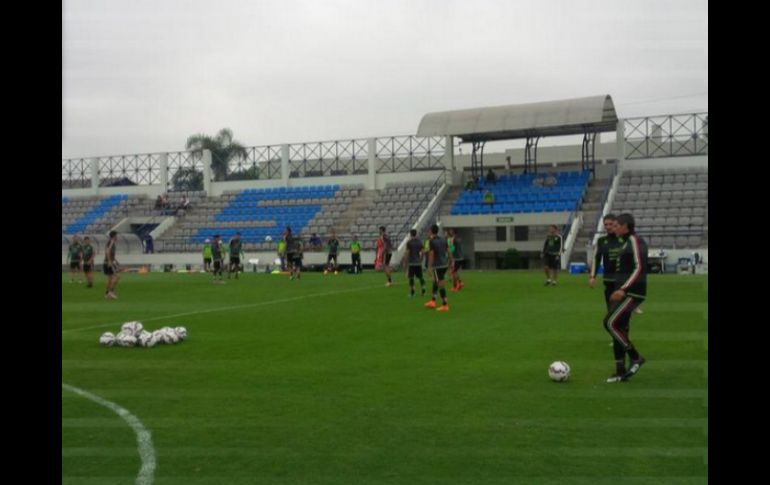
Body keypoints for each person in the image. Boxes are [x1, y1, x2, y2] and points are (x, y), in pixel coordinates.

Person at [604, 213, 648, 383]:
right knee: (619, 329)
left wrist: (623, 288)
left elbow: (639, 268)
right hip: (624, 292)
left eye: (616, 225)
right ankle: (620, 371)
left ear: (625, 226)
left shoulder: (635, 241)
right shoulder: (627, 242)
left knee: (610, 323)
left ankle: (636, 357)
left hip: (633, 293)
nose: (613, 229)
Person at [589, 214, 621, 309]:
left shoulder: (625, 239)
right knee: (611, 310)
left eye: (610, 224)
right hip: (608, 279)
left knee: (622, 312)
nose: (608, 227)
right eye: (606, 224)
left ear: (616, 224)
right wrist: (592, 276)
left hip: (623, 279)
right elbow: (597, 259)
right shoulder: (601, 241)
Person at [425, 223, 452, 312]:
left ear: (431, 231)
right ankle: (433, 301)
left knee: (440, 284)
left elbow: (431, 254)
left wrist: (429, 267)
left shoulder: (431, 241)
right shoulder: (443, 240)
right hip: (444, 264)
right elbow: (449, 251)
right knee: (435, 281)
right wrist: (450, 262)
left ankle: (445, 305)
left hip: (437, 265)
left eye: (429, 230)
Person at [403, 229, 426, 298]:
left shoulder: (409, 242)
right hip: (418, 263)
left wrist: (405, 262)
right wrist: (421, 260)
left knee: (411, 278)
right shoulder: (419, 242)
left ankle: (413, 293)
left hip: (412, 263)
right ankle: (423, 289)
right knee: (420, 277)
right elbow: (422, 252)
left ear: (410, 234)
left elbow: (407, 253)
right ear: (416, 234)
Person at [103, 230, 120, 299]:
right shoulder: (111, 242)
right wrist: (110, 261)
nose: (117, 237)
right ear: (114, 236)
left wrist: (115, 260)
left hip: (107, 262)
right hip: (108, 262)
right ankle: (110, 292)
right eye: (116, 235)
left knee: (110, 279)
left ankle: (107, 294)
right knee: (117, 277)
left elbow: (110, 253)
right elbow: (107, 251)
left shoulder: (111, 242)